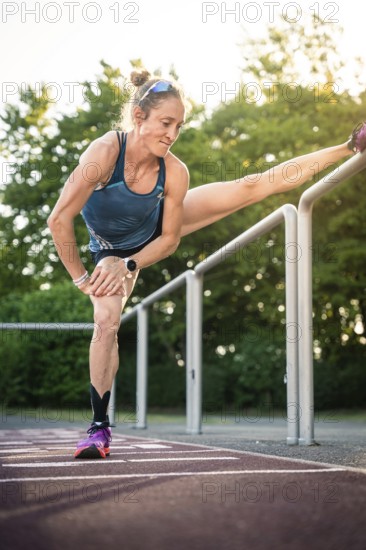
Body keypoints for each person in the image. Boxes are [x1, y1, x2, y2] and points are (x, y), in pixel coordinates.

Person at [47, 70, 366, 459]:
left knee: (251, 186)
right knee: (106, 322)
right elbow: (59, 219)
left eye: (179, 126)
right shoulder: (103, 154)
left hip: (151, 236)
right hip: (108, 250)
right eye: (166, 123)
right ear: (138, 116)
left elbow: (168, 240)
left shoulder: (175, 172)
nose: (172, 133)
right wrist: (83, 278)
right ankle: (99, 427)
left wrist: (130, 265)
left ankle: (350, 144)